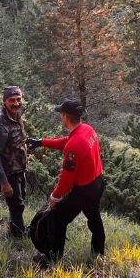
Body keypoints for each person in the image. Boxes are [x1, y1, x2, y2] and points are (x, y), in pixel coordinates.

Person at [26, 98, 105, 265]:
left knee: (57, 219)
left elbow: (67, 179)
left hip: (83, 190)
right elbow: (67, 141)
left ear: (65, 116)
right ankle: (98, 253)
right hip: (97, 182)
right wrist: (41, 142)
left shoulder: (74, 145)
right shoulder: (86, 129)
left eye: (60, 114)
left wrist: (55, 197)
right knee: (94, 218)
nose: (60, 117)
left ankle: (53, 257)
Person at [0, 86, 29, 238]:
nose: (17, 103)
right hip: (7, 171)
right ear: (4, 101)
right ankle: (18, 234)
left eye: (18, 99)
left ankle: (14, 228)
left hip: (19, 167)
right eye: (12, 100)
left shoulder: (18, 111)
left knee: (20, 200)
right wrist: (4, 182)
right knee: (16, 205)